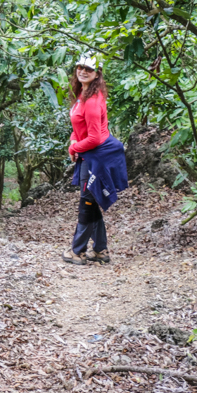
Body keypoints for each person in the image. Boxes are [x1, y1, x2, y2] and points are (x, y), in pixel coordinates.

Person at [63, 54, 129, 266]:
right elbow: (80, 129)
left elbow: (95, 137)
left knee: (87, 202)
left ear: (97, 73)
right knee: (91, 201)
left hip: (96, 156)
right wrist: (73, 140)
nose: (82, 71)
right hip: (90, 154)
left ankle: (78, 251)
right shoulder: (84, 93)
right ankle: (100, 250)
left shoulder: (92, 100)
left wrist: (75, 147)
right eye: (80, 67)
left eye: (88, 69)